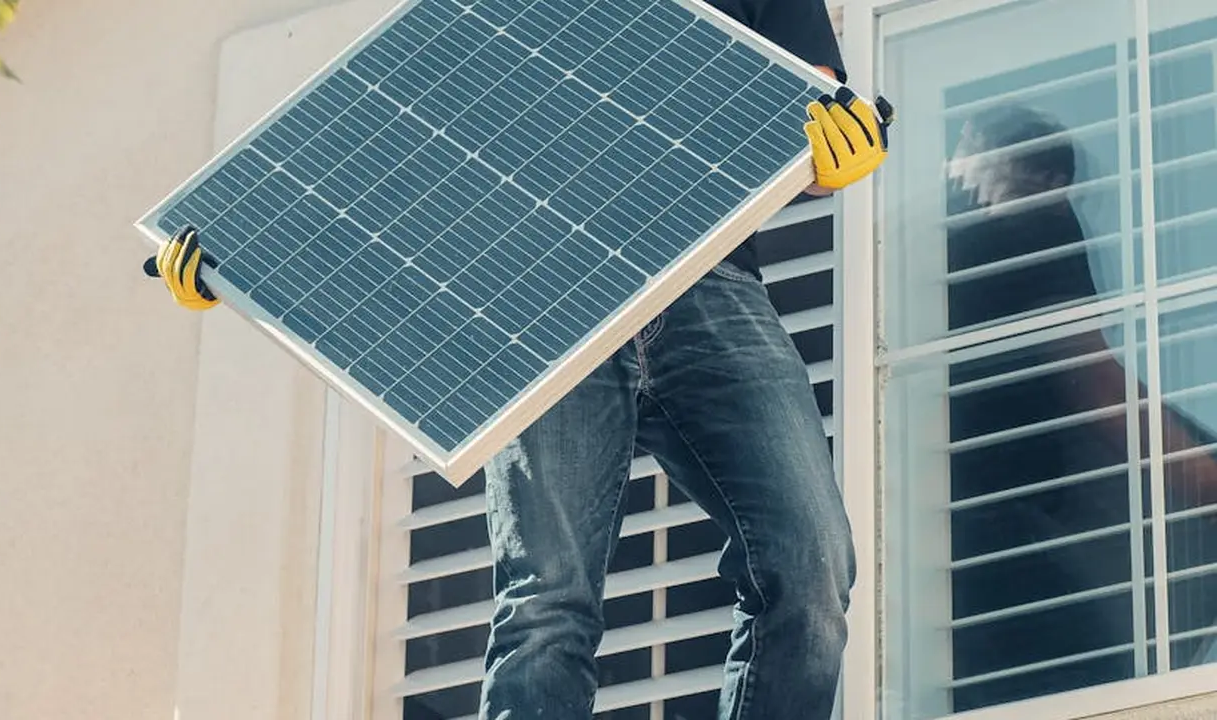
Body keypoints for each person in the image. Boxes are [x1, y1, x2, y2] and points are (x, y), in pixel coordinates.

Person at [145, 3, 893, 716]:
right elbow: (387, 151)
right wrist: (241, 260)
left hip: (709, 279)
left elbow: (810, 105)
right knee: (547, 602)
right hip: (547, 297)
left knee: (811, 561)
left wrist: (837, 152)